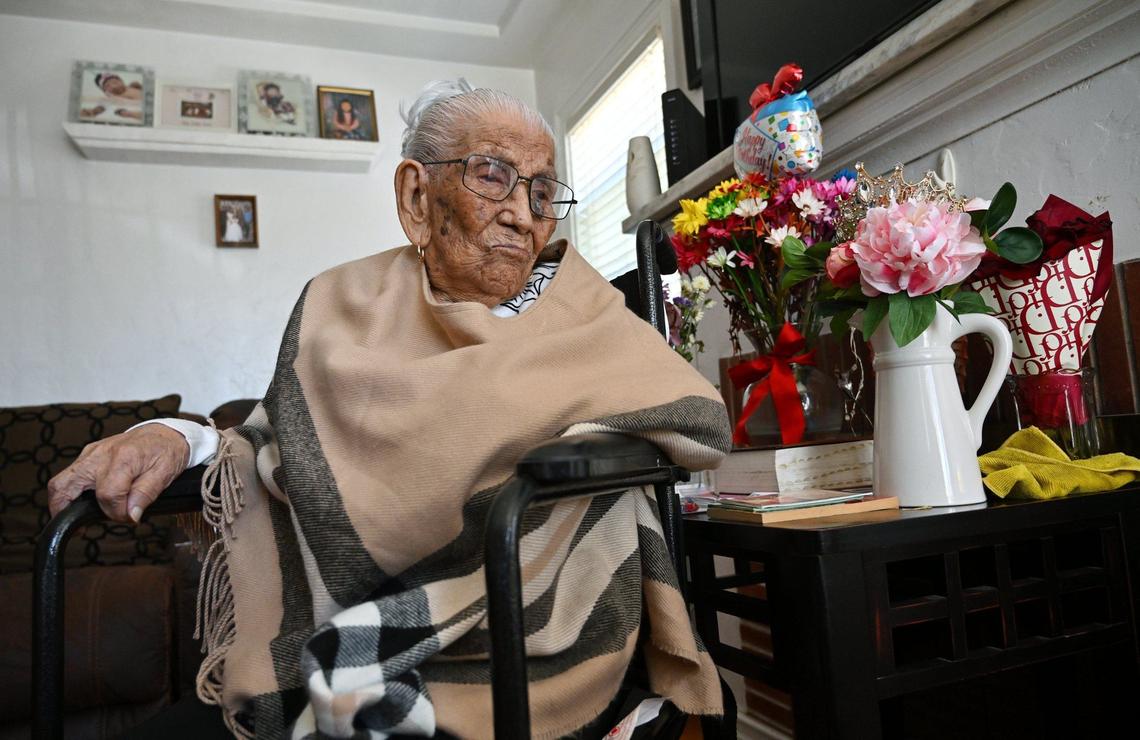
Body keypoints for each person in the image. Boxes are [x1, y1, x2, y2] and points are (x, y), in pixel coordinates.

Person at [48, 79, 731, 739]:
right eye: (493, 175)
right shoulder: (343, 304)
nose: (524, 213)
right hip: (341, 639)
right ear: (416, 195)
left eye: (544, 190)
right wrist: (170, 433)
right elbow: (278, 437)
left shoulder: (585, 314)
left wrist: (577, 437)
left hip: (532, 650)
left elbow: (695, 416)